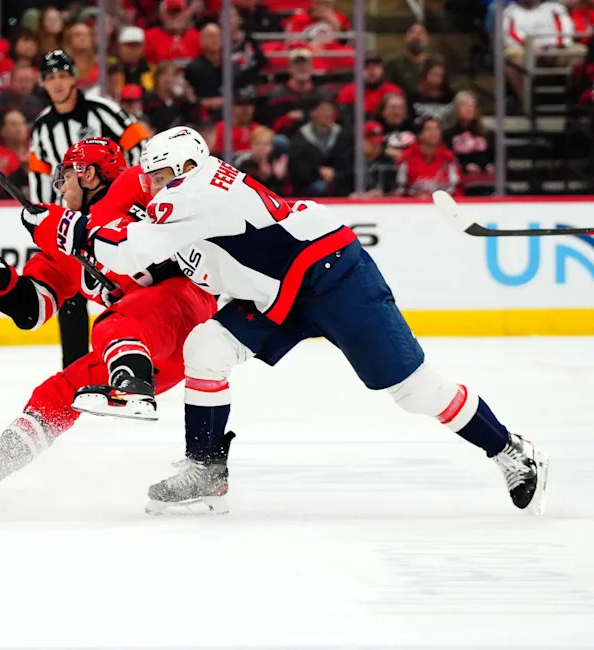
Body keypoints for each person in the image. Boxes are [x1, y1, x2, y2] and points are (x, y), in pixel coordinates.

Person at [60, 126, 548, 517]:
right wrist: (136, 274)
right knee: (207, 347)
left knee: (414, 391)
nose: (154, 187)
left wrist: (69, 228)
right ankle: (206, 470)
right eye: (152, 178)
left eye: (161, 175)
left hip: (332, 274)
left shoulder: (196, 189)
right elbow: (173, 258)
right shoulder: (192, 200)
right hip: (279, 292)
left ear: (188, 166)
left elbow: (129, 247)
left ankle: (509, 449)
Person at [0, 138, 216, 513]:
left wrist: (66, 227)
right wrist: (0, 283)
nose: (61, 187)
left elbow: (148, 228)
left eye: (66, 176)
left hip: (186, 312)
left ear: (89, 174)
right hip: (143, 348)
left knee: (112, 324)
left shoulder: (138, 185)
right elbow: (33, 310)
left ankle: (134, 387)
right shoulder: (65, 240)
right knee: (57, 391)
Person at [28, 50, 150, 370]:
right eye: (50, 77)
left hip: (115, 213)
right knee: (72, 293)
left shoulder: (102, 111)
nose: (57, 83)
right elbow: (40, 176)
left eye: (62, 75)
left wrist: (136, 196)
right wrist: (47, 220)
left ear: (74, 78)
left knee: (127, 285)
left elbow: (141, 146)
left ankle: (137, 359)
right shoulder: (42, 127)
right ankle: (76, 371)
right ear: (43, 83)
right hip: (70, 217)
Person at [394, 117, 461, 198]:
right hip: (413, 206)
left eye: (437, 129)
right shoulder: (406, 158)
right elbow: (399, 189)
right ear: (419, 134)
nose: (434, 133)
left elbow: (457, 187)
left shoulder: (449, 158)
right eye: (428, 129)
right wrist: (415, 198)